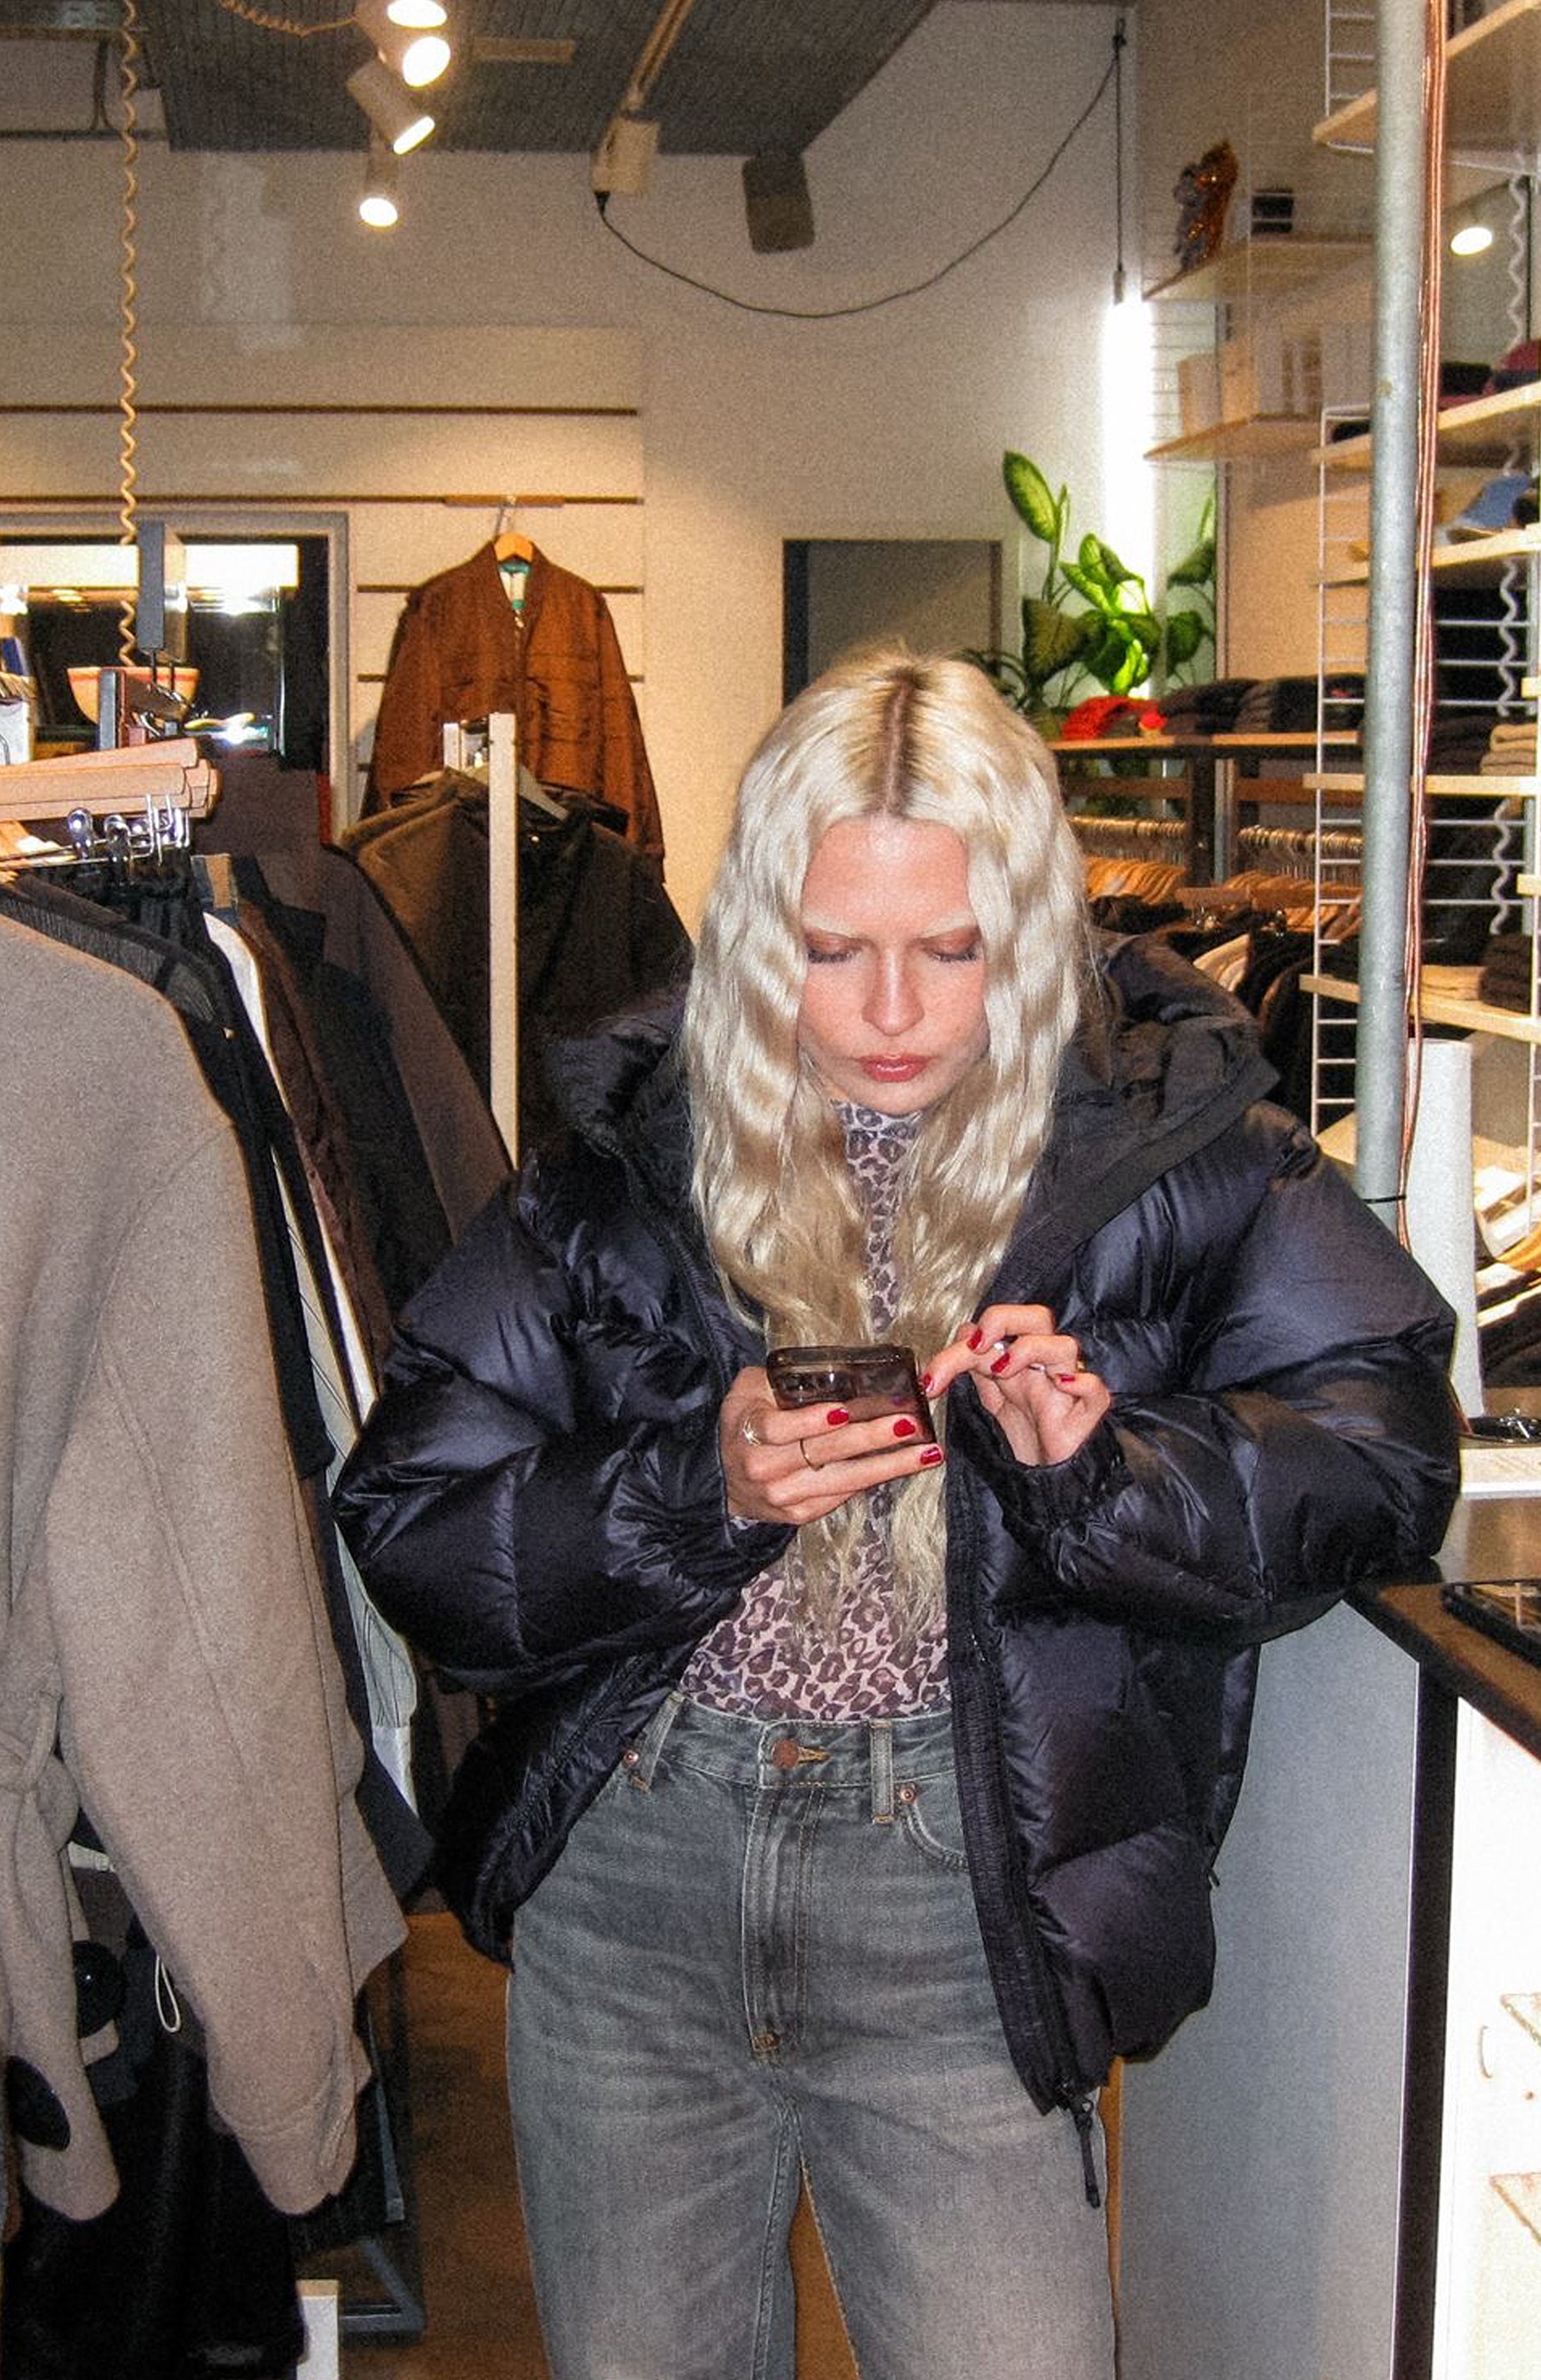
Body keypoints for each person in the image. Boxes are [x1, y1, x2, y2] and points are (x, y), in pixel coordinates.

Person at [335, 647, 1461, 2380]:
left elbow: (1380, 1454)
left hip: (964, 1891)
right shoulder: (625, 1160)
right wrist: (691, 1490)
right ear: (748, 935)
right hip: (636, 1883)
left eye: (952, 950)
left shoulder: (1179, 1152)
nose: (887, 1013)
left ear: (1036, 931)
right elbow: (416, 1515)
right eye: (828, 949)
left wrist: (1103, 1469)